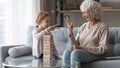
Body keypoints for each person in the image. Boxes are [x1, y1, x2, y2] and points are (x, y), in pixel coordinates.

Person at [62, 0, 108, 68]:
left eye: (85, 13)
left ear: (93, 11)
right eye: (82, 13)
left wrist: (82, 48)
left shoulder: (102, 26)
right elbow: (75, 45)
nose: (83, 15)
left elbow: (102, 49)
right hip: (83, 53)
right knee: (66, 52)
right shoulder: (83, 26)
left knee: (76, 53)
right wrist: (70, 31)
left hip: (98, 55)